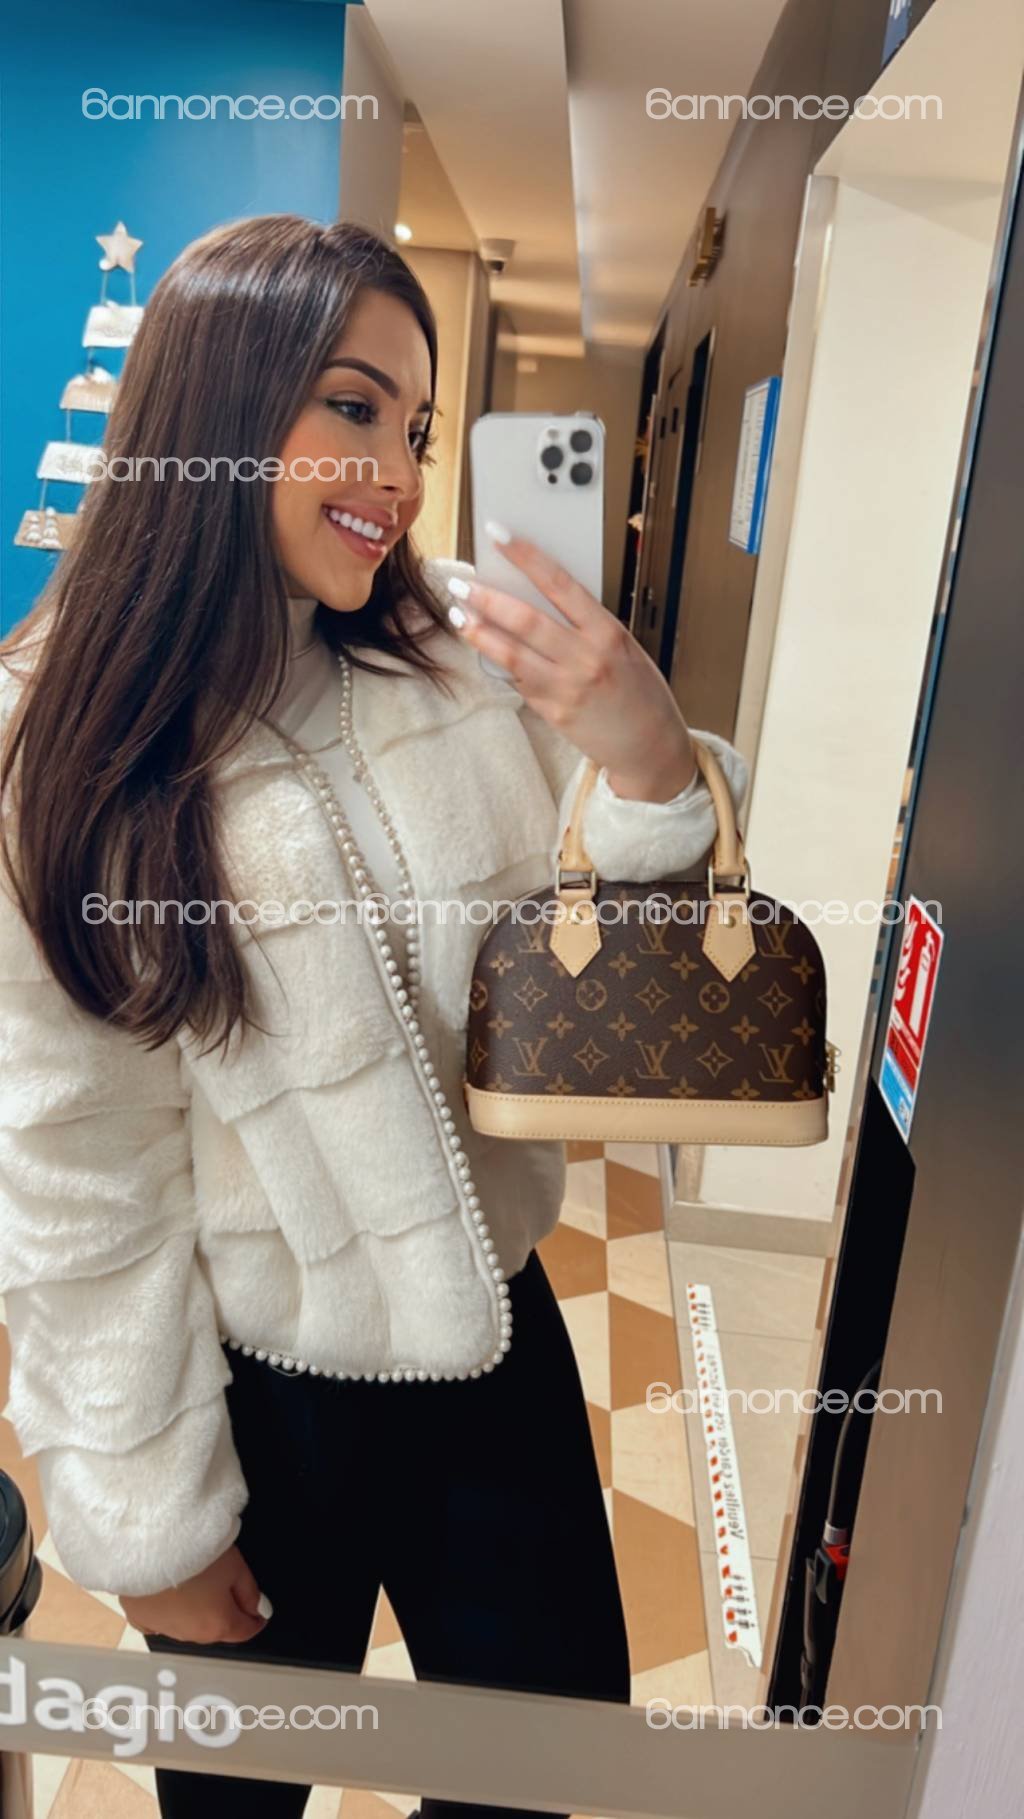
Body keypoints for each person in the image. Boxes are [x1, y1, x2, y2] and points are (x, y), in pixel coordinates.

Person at [0, 215, 747, 1817]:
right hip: (255, 1391)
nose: (400, 475)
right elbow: (74, 1172)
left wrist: (646, 763)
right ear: (214, 407)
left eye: (417, 427)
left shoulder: (456, 669)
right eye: (352, 406)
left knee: (538, 1765)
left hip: (496, 1340)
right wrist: (149, 1511)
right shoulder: (57, 745)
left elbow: (609, 997)